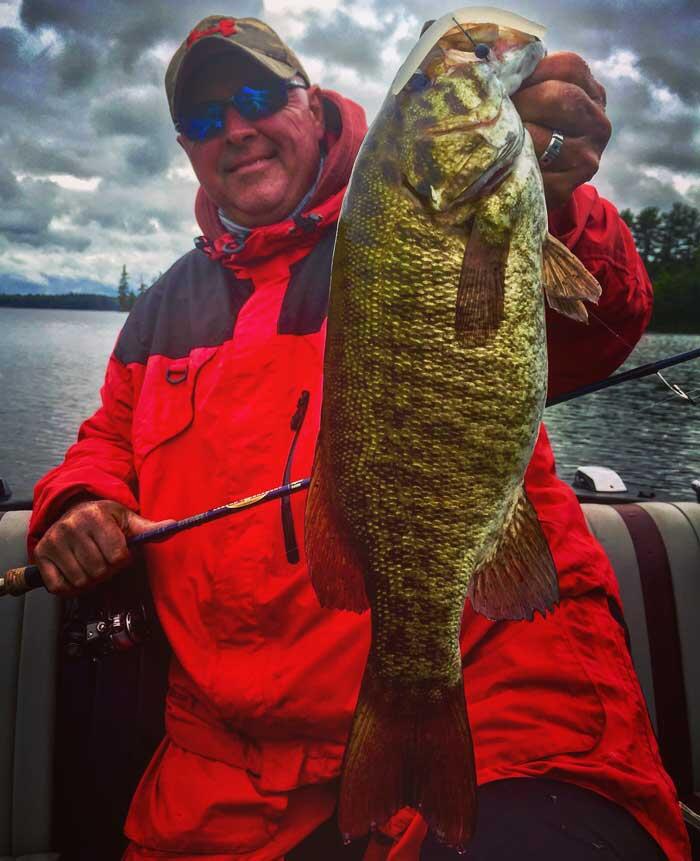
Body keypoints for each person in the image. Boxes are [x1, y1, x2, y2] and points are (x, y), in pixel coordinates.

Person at [28, 14, 691, 861]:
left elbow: (602, 323)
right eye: (202, 121)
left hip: (501, 702)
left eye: (257, 96)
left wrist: (556, 201)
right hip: (227, 778)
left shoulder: (406, 216)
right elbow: (106, 441)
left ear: (310, 104)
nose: (234, 128)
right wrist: (83, 499)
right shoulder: (161, 311)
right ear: (188, 150)